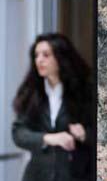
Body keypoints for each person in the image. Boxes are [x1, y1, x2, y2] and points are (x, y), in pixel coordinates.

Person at [12, 33, 94, 181]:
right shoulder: (32, 93)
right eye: (36, 55)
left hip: (75, 175)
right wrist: (49, 138)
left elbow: (106, 136)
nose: (39, 60)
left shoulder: (84, 92)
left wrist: (84, 135)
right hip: (37, 175)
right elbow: (18, 133)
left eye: (46, 55)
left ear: (61, 57)